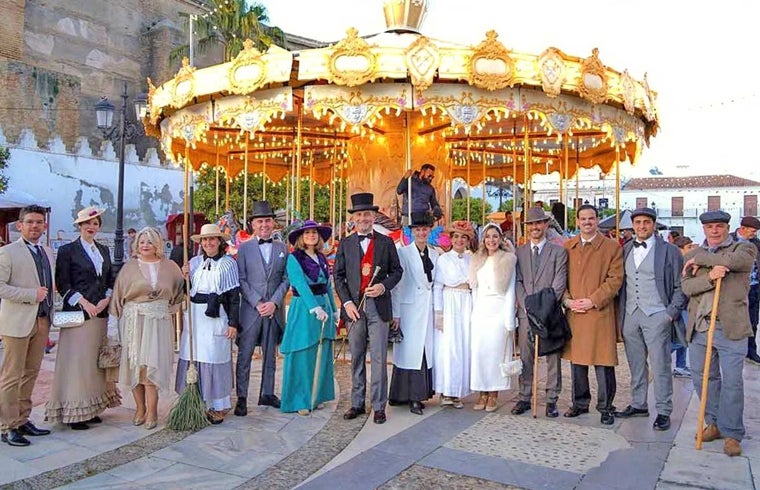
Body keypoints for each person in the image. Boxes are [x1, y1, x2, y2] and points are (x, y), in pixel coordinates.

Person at [682, 210, 757, 457]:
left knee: (733, 382)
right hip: (701, 328)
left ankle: (733, 432)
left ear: (727, 227)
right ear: (703, 229)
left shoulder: (742, 249)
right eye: (710, 227)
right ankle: (713, 423)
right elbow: (687, 287)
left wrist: (702, 260)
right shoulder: (693, 254)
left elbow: (739, 264)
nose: (714, 231)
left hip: (731, 328)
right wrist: (711, 278)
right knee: (703, 379)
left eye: (719, 226)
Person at [46, 207, 121, 431]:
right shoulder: (68, 250)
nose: (91, 227)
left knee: (94, 364)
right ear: (79, 226)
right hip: (77, 314)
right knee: (76, 364)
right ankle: (74, 412)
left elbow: (110, 279)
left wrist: (105, 300)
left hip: (100, 314)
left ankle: (91, 407)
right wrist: (85, 303)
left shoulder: (104, 251)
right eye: (87, 224)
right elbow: (63, 282)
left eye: (95, 224)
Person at [614, 207, 687, 431]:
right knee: (636, 363)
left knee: (661, 364)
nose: (642, 226)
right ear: (632, 226)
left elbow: (679, 285)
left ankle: (664, 410)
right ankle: (639, 404)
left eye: (646, 222)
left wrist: (670, 313)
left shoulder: (670, 251)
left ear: (654, 224)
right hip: (631, 314)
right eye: (638, 222)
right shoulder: (625, 249)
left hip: (657, 314)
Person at [334, 193, 403, 424]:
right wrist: (347, 303)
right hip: (355, 309)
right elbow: (338, 276)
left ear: (374, 216)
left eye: (367, 214)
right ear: (354, 218)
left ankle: (379, 405)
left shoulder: (385, 243)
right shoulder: (345, 243)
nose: (364, 218)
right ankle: (357, 403)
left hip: (378, 307)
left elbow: (397, 271)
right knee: (356, 357)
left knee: (379, 358)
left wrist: (383, 286)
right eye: (360, 214)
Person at [110, 227, 184, 430]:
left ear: (157, 245)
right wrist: (114, 325)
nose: (145, 245)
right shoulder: (129, 267)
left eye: (149, 242)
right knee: (136, 366)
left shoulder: (170, 267)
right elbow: (118, 295)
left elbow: (179, 291)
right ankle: (140, 408)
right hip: (134, 321)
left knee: (152, 365)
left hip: (158, 321)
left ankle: (152, 410)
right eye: (142, 242)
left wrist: (168, 308)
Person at [562, 204, 623, 425]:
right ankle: (579, 403)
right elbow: (561, 279)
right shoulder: (568, 247)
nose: (587, 222)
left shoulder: (612, 247)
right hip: (575, 311)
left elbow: (615, 280)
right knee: (577, 362)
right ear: (577, 221)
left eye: (591, 218)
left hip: (599, 312)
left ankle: (606, 406)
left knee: (603, 361)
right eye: (583, 219)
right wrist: (568, 301)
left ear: (597, 220)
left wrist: (593, 301)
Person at [0, 205, 54, 447]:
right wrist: (31, 294)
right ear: (19, 225)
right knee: (11, 376)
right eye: (30, 222)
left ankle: (22, 419)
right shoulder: (8, 252)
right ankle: (7, 426)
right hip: (17, 322)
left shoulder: (47, 251)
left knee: (30, 373)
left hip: (42, 320)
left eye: (39, 222)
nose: (35, 226)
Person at [176, 224, 239, 425]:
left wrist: (233, 323)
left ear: (220, 242)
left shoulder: (228, 264)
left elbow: (233, 296)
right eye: (205, 240)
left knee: (213, 355)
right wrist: (184, 276)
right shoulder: (193, 263)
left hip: (215, 314)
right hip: (194, 315)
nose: (208, 243)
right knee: (192, 354)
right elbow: (187, 291)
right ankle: (196, 401)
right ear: (200, 243)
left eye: (212, 239)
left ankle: (217, 405)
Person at [511, 207, 568, 418]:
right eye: (531, 224)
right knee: (526, 356)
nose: (535, 227)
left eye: (539, 223)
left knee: (553, 356)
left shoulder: (558, 252)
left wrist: (545, 307)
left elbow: (559, 283)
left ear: (546, 225)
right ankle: (524, 396)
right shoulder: (519, 252)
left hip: (549, 313)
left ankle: (552, 399)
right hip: (526, 313)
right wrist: (526, 304)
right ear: (526, 228)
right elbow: (517, 281)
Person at [236, 201, 290, 414]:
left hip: (273, 309)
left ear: (273, 223)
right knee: (245, 354)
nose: (264, 225)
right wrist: (258, 303)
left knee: (270, 353)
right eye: (260, 221)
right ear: (253, 224)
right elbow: (241, 279)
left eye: (268, 220)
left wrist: (274, 302)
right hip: (252, 310)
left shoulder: (282, 248)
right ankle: (242, 395)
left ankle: (267, 392)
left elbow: (286, 279)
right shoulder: (245, 248)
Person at [280, 220, 337, 416]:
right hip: (304, 309)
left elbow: (328, 285)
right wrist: (314, 307)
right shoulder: (294, 258)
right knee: (303, 354)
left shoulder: (321, 257)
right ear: (301, 238)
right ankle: (299, 400)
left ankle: (316, 396)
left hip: (324, 307)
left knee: (320, 354)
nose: (311, 236)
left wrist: (334, 309)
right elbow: (299, 284)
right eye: (307, 233)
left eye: (314, 233)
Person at [389, 212, 439, 415]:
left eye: (424, 229)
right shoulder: (403, 253)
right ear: (412, 232)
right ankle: (407, 396)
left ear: (429, 231)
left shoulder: (435, 254)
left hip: (427, 308)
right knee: (410, 352)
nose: (421, 232)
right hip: (409, 309)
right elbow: (397, 286)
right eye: (417, 229)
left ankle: (421, 393)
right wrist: (396, 313)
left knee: (424, 351)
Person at [469, 223, 517, 412]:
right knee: (480, 354)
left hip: (498, 311)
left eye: (495, 236)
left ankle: (494, 394)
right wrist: (473, 314)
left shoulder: (508, 259)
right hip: (481, 310)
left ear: (501, 239)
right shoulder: (476, 259)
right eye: (488, 236)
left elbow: (510, 291)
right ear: (483, 239)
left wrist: (509, 320)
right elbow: (474, 289)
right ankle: (482, 392)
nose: (491, 240)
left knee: (496, 354)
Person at [433, 220, 476, 409]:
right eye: (456, 236)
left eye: (463, 237)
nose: (459, 240)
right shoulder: (443, 259)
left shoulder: (471, 259)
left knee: (463, 346)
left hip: (466, 301)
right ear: (450, 239)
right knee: (448, 347)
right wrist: (439, 312)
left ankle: (458, 391)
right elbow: (437, 286)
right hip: (450, 301)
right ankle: (446, 390)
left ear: (467, 240)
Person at [733, 216, 760, 365]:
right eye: (752, 231)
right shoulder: (729, 240)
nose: (754, 234)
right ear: (742, 228)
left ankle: (750, 352)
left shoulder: (756, 243)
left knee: (753, 322)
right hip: (734, 288)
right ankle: (733, 351)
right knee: (732, 321)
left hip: (754, 287)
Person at [672, 235, 696, 377]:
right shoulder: (677, 264)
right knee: (684, 338)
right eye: (688, 247)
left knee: (683, 336)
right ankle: (660, 355)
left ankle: (680, 366)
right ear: (680, 249)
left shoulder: (689, 262)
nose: (691, 249)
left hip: (687, 305)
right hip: (680, 306)